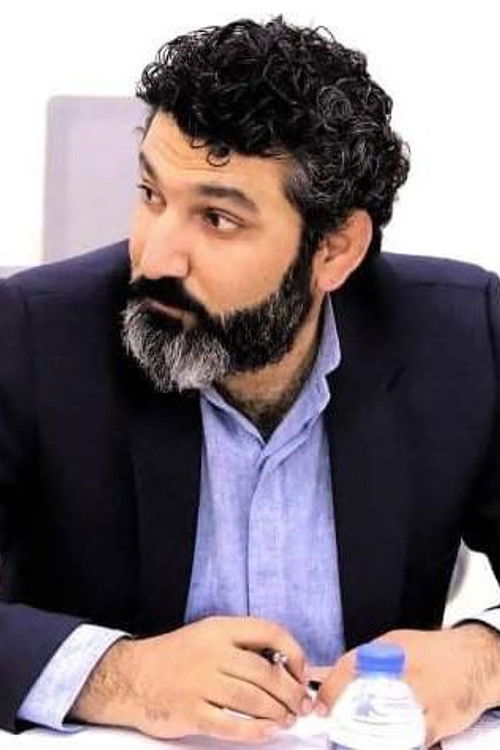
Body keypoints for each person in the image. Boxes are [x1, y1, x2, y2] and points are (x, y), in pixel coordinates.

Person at [1, 16, 499, 748]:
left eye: (217, 218)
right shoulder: (32, 332)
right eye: (151, 194)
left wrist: (481, 661)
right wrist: (119, 675)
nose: (156, 257)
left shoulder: (462, 336)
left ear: (335, 250)